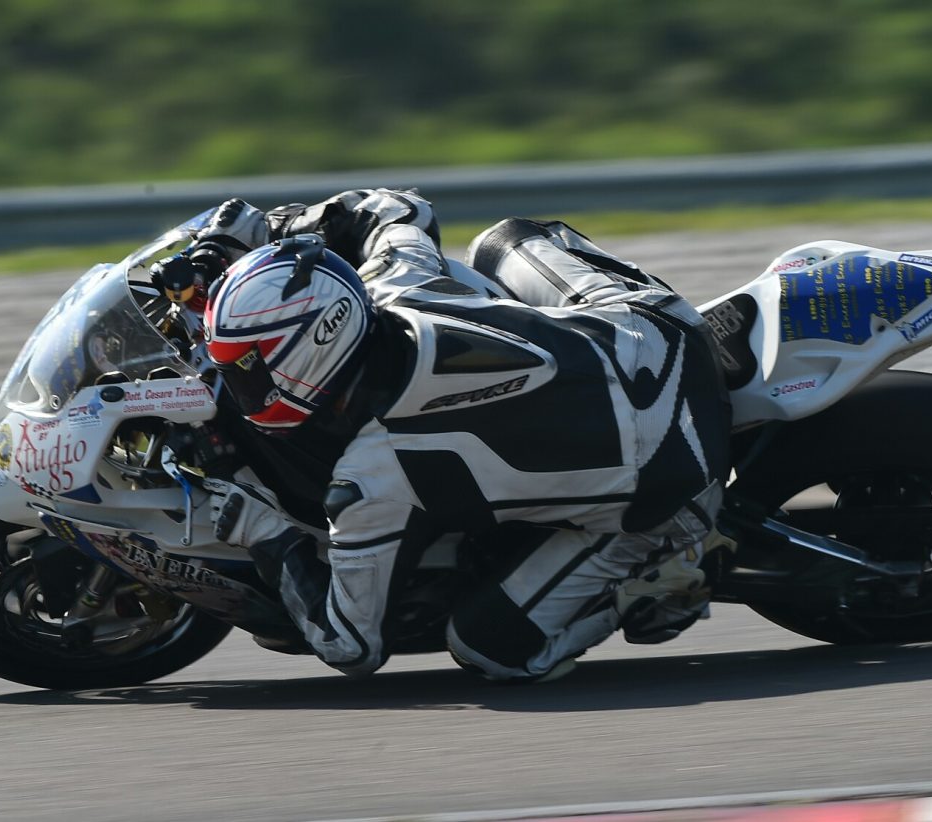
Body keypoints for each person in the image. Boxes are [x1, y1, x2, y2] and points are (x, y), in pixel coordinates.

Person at [183, 188, 731, 681]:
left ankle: (663, 569)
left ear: (314, 345)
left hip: (675, 483)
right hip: (663, 327)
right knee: (504, 241)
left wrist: (263, 531)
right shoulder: (398, 283)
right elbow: (396, 209)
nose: (239, 386)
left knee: (490, 647)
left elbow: (348, 645)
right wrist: (275, 229)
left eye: (247, 368)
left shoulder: (376, 475)